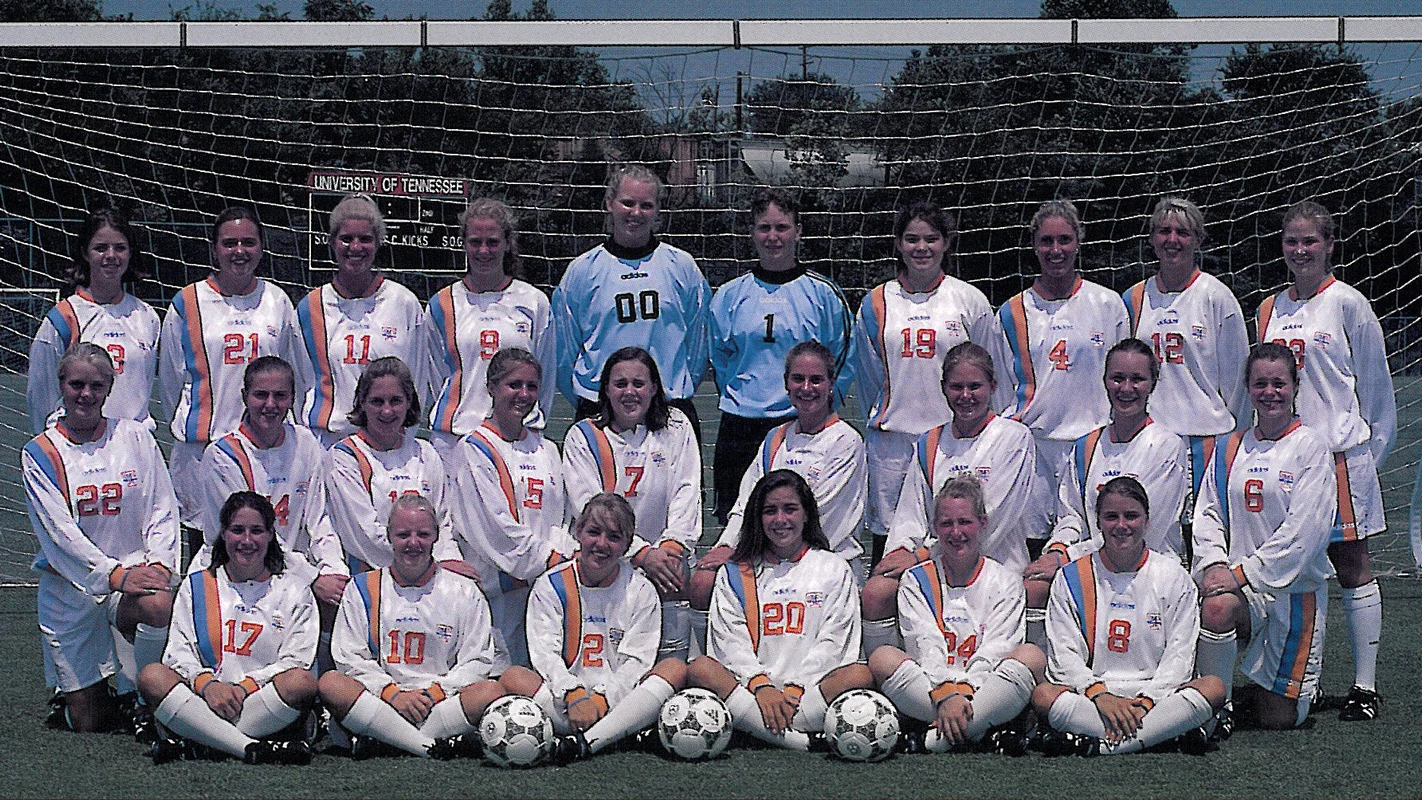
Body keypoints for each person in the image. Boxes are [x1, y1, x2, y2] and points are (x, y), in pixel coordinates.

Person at [1254, 200, 1394, 721]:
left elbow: (1378, 394)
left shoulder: (1349, 304)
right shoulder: (1268, 310)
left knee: (1352, 564)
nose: (1300, 249)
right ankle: (1279, 679)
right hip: (1285, 459)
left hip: (1339, 460)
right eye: (1292, 240)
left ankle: (1364, 687)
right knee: (1287, 564)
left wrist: (1365, 458)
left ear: (1330, 245)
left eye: (1310, 240)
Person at [24, 343, 178, 732]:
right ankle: (84, 696)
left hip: (129, 581)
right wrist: (112, 575)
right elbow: (59, 536)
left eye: (96, 385)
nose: (86, 394)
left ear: (109, 387)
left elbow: (162, 507)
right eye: (77, 384)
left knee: (158, 602)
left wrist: (159, 563)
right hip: (70, 590)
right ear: (61, 385)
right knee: (87, 723)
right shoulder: (40, 453)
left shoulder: (135, 437)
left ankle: (144, 699)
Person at [855, 201, 1013, 566]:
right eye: (911, 239)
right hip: (894, 444)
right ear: (898, 243)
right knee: (892, 547)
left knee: (955, 539)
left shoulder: (969, 300)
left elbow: (992, 372)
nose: (921, 247)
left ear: (946, 243)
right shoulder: (876, 302)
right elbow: (869, 376)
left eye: (931, 238)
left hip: (953, 444)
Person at [1193, 343, 1337, 730]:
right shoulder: (1230, 446)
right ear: (1248, 388)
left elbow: (1305, 535)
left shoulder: (1312, 446)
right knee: (1218, 606)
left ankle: (1303, 686)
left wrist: (1239, 574)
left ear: (1295, 386)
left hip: (1294, 594)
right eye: (1260, 384)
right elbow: (1207, 513)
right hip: (1244, 591)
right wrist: (1214, 566)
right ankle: (1216, 709)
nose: (1270, 393)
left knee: (1280, 719)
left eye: (1279, 383)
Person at [862, 342, 1039, 655]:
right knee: (877, 589)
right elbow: (910, 515)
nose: (966, 396)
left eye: (975, 386)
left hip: (995, 564)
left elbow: (993, 521)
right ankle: (888, 686)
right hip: (938, 567)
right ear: (943, 388)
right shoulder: (929, 440)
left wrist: (921, 556)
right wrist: (899, 554)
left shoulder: (1014, 437)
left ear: (993, 387)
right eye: (957, 387)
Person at [1033, 477, 1224, 756]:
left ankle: (1101, 745)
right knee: (1043, 695)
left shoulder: (1172, 576)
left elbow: (1180, 658)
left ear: (1147, 521)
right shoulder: (1072, 576)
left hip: (1157, 696)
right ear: (1098, 522)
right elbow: (1064, 657)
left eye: (1131, 516)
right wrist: (1101, 695)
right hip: (1096, 697)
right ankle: (1159, 734)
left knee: (1214, 687)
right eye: (1111, 517)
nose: (1121, 526)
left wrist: (1147, 700)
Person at [687, 470, 872, 752]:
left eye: (790, 509)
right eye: (770, 511)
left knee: (860, 674)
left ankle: (759, 728)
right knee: (700, 668)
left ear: (807, 514)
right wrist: (762, 687)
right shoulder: (736, 571)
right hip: (753, 693)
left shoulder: (834, 567)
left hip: (808, 694)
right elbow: (730, 642)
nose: (780, 519)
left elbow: (833, 642)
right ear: (757, 518)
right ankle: (801, 739)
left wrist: (795, 689)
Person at [500, 493, 689, 763]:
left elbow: (636, 662)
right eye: (593, 532)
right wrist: (574, 695)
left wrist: (601, 700)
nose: (601, 544)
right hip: (565, 704)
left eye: (614, 537)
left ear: (627, 546)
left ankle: (584, 741)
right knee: (513, 676)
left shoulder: (641, 589)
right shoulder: (550, 584)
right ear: (578, 532)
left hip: (618, 702)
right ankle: (616, 734)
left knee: (674, 668)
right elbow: (545, 655)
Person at [1023, 338, 1187, 643]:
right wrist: (1058, 548)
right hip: (1093, 564)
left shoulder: (1167, 445)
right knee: (1035, 587)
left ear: (1153, 382)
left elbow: (1141, 532)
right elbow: (1070, 516)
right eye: (1118, 378)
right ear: (1105, 381)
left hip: (1147, 567)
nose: (1126, 388)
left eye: (1137, 379)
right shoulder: (1086, 445)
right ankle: (1039, 678)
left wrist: (1067, 557)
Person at [319, 494, 506, 759]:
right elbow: (349, 658)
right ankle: (428, 745)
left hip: (439, 701)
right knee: (330, 683)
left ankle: (385, 739)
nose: (413, 543)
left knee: (492, 690)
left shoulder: (464, 590)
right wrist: (392, 693)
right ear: (389, 536)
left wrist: (435, 693)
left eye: (423, 534)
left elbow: (477, 660)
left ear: (436, 537)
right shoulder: (361, 588)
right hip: (381, 698)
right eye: (403, 534)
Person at [869, 476, 1045, 754]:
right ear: (935, 529)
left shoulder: (1005, 580)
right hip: (932, 688)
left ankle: (930, 740)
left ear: (982, 524)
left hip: (985, 687)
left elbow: (997, 648)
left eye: (965, 522)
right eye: (947, 524)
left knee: (1031, 656)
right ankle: (981, 731)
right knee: (881, 658)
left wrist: (966, 690)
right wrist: (945, 692)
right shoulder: (916, 579)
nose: (956, 532)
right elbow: (923, 643)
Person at [138, 492, 317, 765]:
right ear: (223, 533)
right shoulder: (198, 584)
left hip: (260, 699)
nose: (246, 541)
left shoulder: (294, 589)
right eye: (237, 530)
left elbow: (296, 660)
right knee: (152, 676)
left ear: (271, 534)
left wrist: (245, 687)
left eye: (256, 531)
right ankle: (253, 747)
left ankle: (200, 740)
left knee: (301, 683)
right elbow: (178, 652)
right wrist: (207, 684)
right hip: (205, 697)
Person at [709, 188, 855, 522]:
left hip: (800, 424)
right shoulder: (731, 295)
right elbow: (719, 357)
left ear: (798, 231)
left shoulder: (824, 294)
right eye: (764, 228)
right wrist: (744, 395)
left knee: (797, 521)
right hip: (740, 425)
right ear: (752, 232)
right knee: (737, 522)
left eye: (782, 227)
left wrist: (818, 407)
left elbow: (842, 355)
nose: (773, 236)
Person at [695, 341, 866, 622]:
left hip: (822, 562)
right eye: (798, 379)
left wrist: (753, 551)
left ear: (831, 384)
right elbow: (746, 503)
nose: (807, 388)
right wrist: (726, 545)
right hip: (770, 556)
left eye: (816, 380)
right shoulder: (775, 439)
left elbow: (818, 517)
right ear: (786, 384)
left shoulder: (846, 442)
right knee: (702, 581)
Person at [999, 199, 1129, 557]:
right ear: (1034, 245)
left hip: (1094, 447)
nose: (1055, 250)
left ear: (1078, 242)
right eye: (1046, 241)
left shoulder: (1107, 304)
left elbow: (1126, 379)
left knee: (1094, 551)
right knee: (1034, 552)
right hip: (1034, 450)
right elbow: (999, 391)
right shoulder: (1011, 312)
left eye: (1064, 240)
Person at [159, 206, 302, 529]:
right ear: (215, 249)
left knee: (266, 545)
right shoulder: (188, 302)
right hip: (201, 450)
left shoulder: (277, 301)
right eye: (230, 243)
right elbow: (171, 380)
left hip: (263, 450)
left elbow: (293, 374)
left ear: (261, 247)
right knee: (206, 548)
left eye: (248, 242)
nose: (239, 251)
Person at [562, 347, 701, 661]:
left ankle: (672, 671)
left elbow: (687, 491)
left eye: (638, 384)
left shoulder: (676, 426)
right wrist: (640, 553)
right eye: (620, 384)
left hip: (664, 556)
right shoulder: (582, 436)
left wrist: (669, 550)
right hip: (610, 556)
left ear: (653, 388)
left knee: (675, 575)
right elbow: (588, 507)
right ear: (606, 390)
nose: (630, 392)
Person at [551, 164, 711, 436]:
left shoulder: (682, 267)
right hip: (600, 411)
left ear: (658, 210)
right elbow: (564, 353)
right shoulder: (582, 270)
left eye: (646, 205)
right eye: (627, 203)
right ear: (609, 204)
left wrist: (674, 390)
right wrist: (592, 398)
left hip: (668, 411)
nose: (636, 213)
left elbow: (699, 344)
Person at [448, 348, 575, 668]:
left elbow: (564, 518)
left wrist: (554, 563)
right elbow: (493, 528)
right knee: (502, 684)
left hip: (546, 588)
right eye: (514, 385)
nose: (524, 394)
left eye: (532, 386)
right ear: (491, 387)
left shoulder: (547, 448)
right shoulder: (473, 448)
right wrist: (549, 561)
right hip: (498, 593)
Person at [1122, 197, 1249, 492]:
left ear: (1198, 240)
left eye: (1183, 232)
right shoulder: (1133, 300)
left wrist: (1232, 437)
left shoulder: (1217, 297)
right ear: (1152, 239)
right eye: (1164, 231)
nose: (1172, 240)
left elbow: (1237, 387)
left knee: (1203, 535)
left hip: (1206, 440)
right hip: (1149, 440)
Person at [426, 197, 556, 465]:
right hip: (456, 439)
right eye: (475, 242)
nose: (484, 251)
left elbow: (545, 376)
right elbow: (433, 378)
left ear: (508, 243)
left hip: (518, 438)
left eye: (493, 242)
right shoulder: (442, 304)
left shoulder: (533, 301)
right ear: (464, 243)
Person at [296, 194, 431, 448]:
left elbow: (417, 381)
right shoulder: (310, 307)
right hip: (327, 442)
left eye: (365, 239)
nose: (355, 247)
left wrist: (404, 438)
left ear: (378, 243)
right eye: (346, 238)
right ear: (332, 242)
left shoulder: (403, 302)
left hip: (389, 442)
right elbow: (299, 385)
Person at [28, 205, 161, 434]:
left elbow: (146, 389)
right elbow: (41, 398)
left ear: (130, 252)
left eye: (119, 248)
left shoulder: (147, 317)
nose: (111, 256)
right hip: (80, 449)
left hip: (133, 448)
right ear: (85, 253)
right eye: (100, 248)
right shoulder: (63, 318)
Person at [326, 356, 462, 574]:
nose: (387, 411)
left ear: (409, 402)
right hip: (372, 577)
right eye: (377, 401)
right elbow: (364, 536)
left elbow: (443, 523)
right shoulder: (346, 456)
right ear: (362, 402)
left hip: (430, 574)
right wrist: (427, 562)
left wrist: (448, 564)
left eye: (395, 401)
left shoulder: (425, 452)